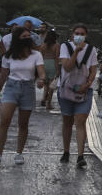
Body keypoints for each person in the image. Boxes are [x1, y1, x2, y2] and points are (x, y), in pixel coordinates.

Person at [0, 26, 46, 168]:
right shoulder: (8, 56)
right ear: (17, 39)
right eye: (24, 36)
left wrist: (41, 80)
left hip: (28, 88)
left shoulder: (36, 55)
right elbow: (3, 75)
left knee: (23, 123)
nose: (27, 39)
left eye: (29, 36)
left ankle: (19, 153)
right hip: (11, 87)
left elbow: (41, 71)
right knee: (5, 120)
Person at [57, 24, 98, 168]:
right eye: (76, 33)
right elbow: (67, 67)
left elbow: (93, 70)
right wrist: (76, 51)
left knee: (80, 121)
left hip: (84, 89)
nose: (79, 35)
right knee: (67, 121)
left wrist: (87, 85)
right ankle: (66, 151)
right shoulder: (65, 47)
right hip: (66, 89)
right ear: (72, 34)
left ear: (86, 35)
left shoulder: (92, 50)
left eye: (82, 33)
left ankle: (80, 155)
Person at [39, 29, 60, 112]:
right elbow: (57, 57)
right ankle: (48, 104)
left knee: (46, 84)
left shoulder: (43, 45)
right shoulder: (56, 45)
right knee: (51, 86)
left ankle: (44, 98)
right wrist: (58, 69)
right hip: (52, 64)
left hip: (44, 63)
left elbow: (40, 56)